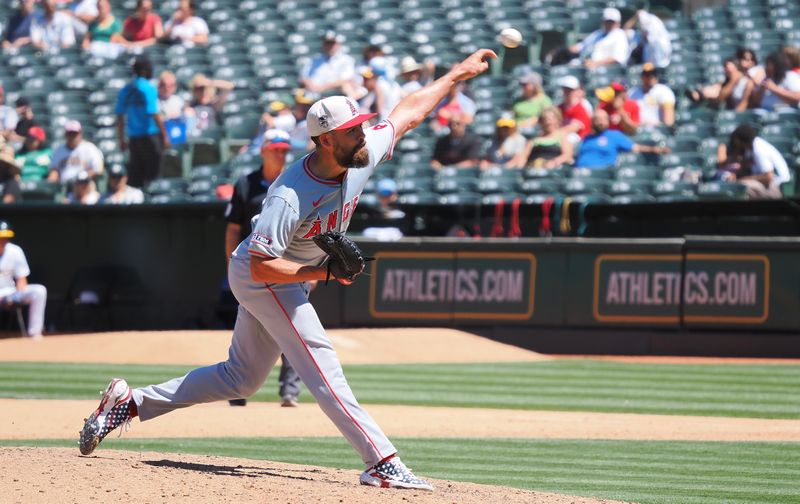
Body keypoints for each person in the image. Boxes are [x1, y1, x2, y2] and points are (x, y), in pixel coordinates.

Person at [78, 47, 498, 492]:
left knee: (241, 377)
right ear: (324, 141)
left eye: (360, 126)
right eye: (351, 131)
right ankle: (381, 460)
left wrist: (457, 74)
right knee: (321, 362)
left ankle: (130, 403)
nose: (362, 134)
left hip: (286, 272)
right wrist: (324, 275)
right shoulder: (290, 194)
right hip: (264, 273)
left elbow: (407, 113)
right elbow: (261, 266)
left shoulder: (358, 154)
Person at [224, 129, 303, 408]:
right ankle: (236, 391)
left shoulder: (294, 183)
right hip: (253, 269)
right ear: (264, 151)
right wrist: (232, 264)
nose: (280, 154)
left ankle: (289, 392)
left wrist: (306, 270)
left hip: (286, 266)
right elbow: (233, 228)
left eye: (284, 150)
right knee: (245, 332)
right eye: (275, 149)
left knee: (292, 331)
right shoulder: (246, 184)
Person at [116, 56, 169, 189]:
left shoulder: (125, 90)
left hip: (134, 140)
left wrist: (121, 140)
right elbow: (154, 114)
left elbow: (120, 118)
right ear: (145, 70)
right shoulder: (148, 88)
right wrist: (165, 135)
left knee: (136, 179)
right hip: (150, 137)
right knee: (154, 178)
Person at [575, 109, 669, 169]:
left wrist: (655, 149)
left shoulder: (614, 135)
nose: (601, 122)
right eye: (598, 119)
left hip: (600, 174)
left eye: (604, 119)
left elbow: (636, 147)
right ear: (593, 122)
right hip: (579, 173)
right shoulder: (587, 138)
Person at [716, 124, 789, 199]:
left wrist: (743, 179)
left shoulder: (759, 149)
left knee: (741, 187)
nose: (735, 143)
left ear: (742, 139)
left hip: (776, 185)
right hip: (766, 184)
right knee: (737, 184)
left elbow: (768, 177)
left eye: (736, 140)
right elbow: (747, 168)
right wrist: (735, 176)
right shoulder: (749, 148)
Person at [0, 221, 47, 339]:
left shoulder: (15, 251)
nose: (3, 240)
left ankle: (34, 332)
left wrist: (17, 295)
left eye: (6, 237)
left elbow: (21, 279)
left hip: (9, 292)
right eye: (1, 237)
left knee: (39, 291)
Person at [300, 31, 357, 96]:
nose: (329, 46)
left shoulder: (346, 59)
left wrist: (322, 88)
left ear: (338, 44)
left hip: (336, 94)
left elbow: (345, 79)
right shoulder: (315, 59)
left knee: (347, 87)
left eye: (332, 43)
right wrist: (312, 86)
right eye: (327, 43)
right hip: (313, 93)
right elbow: (304, 77)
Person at [685, 59, 753, 112]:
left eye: (728, 68)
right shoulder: (726, 81)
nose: (726, 70)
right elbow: (718, 91)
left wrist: (735, 116)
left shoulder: (746, 82)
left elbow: (744, 103)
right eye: (725, 68)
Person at [556, 75, 591, 140]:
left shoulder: (582, 106)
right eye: (565, 89)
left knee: (571, 137)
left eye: (570, 90)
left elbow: (574, 128)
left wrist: (554, 134)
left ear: (576, 90)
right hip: (562, 137)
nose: (568, 92)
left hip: (580, 141)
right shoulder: (560, 107)